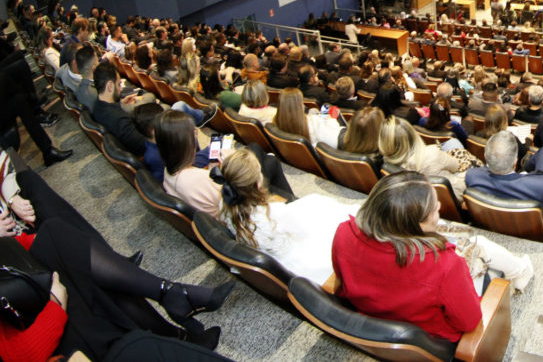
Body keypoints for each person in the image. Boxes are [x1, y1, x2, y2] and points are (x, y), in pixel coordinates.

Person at [330, 171, 533, 343]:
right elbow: (469, 322)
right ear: (415, 225)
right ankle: (520, 271)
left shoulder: (343, 232)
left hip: (372, 317)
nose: (439, 209)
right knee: (483, 250)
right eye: (435, 210)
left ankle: (519, 269)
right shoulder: (446, 265)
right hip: (430, 338)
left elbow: (343, 279)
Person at [0, 216, 233, 359]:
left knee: (58, 238)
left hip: (21, 303)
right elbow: (22, 356)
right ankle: (173, 303)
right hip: (45, 343)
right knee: (95, 280)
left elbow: (27, 246)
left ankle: (174, 318)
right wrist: (55, 307)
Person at [216, 147, 359, 284]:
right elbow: (303, 231)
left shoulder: (225, 204)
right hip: (295, 262)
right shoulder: (274, 214)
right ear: (258, 184)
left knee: (314, 203)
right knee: (323, 210)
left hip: (268, 253)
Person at [156, 110, 292, 216]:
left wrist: (214, 169)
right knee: (269, 160)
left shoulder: (168, 171)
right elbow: (241, 192)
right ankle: (290, 205)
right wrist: (230, 161)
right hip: (240, 209)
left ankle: (287, 199)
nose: (196, 133)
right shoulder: (199, 180)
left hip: (220, 204)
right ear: (185, 143)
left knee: (257, 150)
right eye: (194, 133)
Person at [379, 117, 471, 201]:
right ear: (412, 134)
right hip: (449, 196)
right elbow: (456, 165)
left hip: (424, 196)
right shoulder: (431, 153)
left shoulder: (386, 162)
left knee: (451, 143)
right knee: (455, 143)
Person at [273, 87, 343, 149]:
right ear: (299, 105)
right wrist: (331, 118)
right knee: (327, 106)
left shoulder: (275, 121)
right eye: (301, 102)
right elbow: (333, 132)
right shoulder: (313, 123)